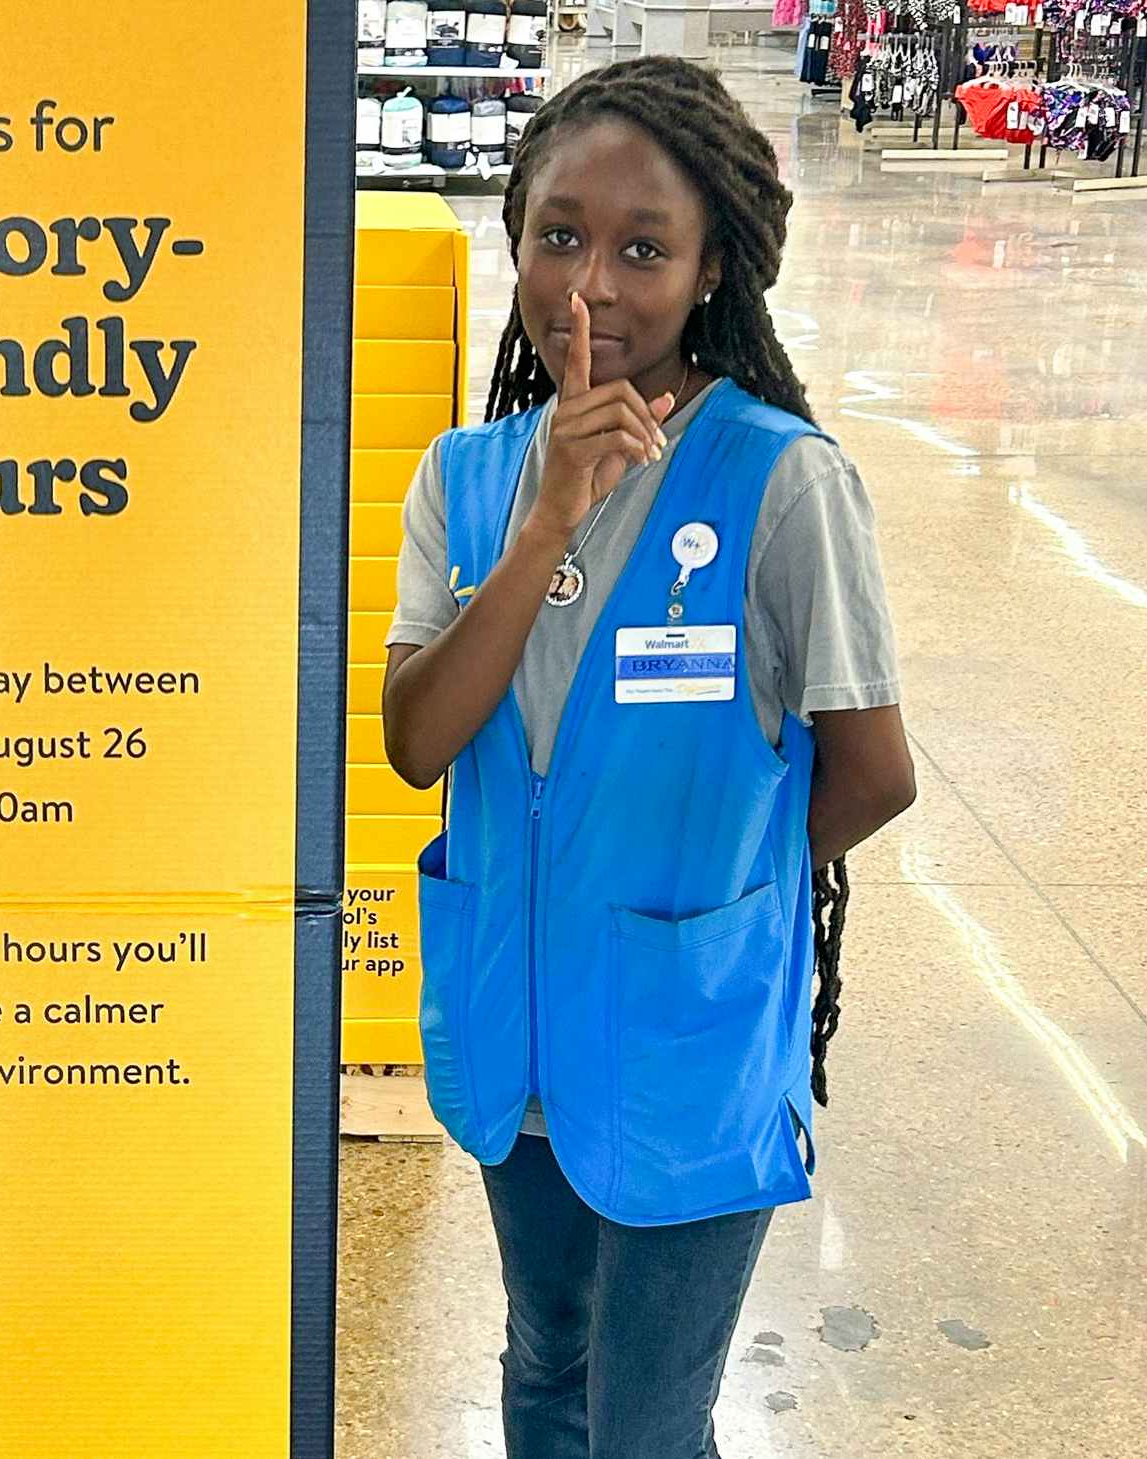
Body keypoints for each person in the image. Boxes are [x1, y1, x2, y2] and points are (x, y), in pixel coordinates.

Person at [381, 58, 917, 1457]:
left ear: (710, 265)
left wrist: (714, 889)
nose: (592, 288)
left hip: (685, 1031)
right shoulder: (466, 476)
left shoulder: (778, 481)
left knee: (645, 1416)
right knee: (543, 1357)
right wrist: (547, 518)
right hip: (518, 1032)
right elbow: (416, 739)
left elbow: (872, 769)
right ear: (513, 239)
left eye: (641, 248)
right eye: (559, 235)